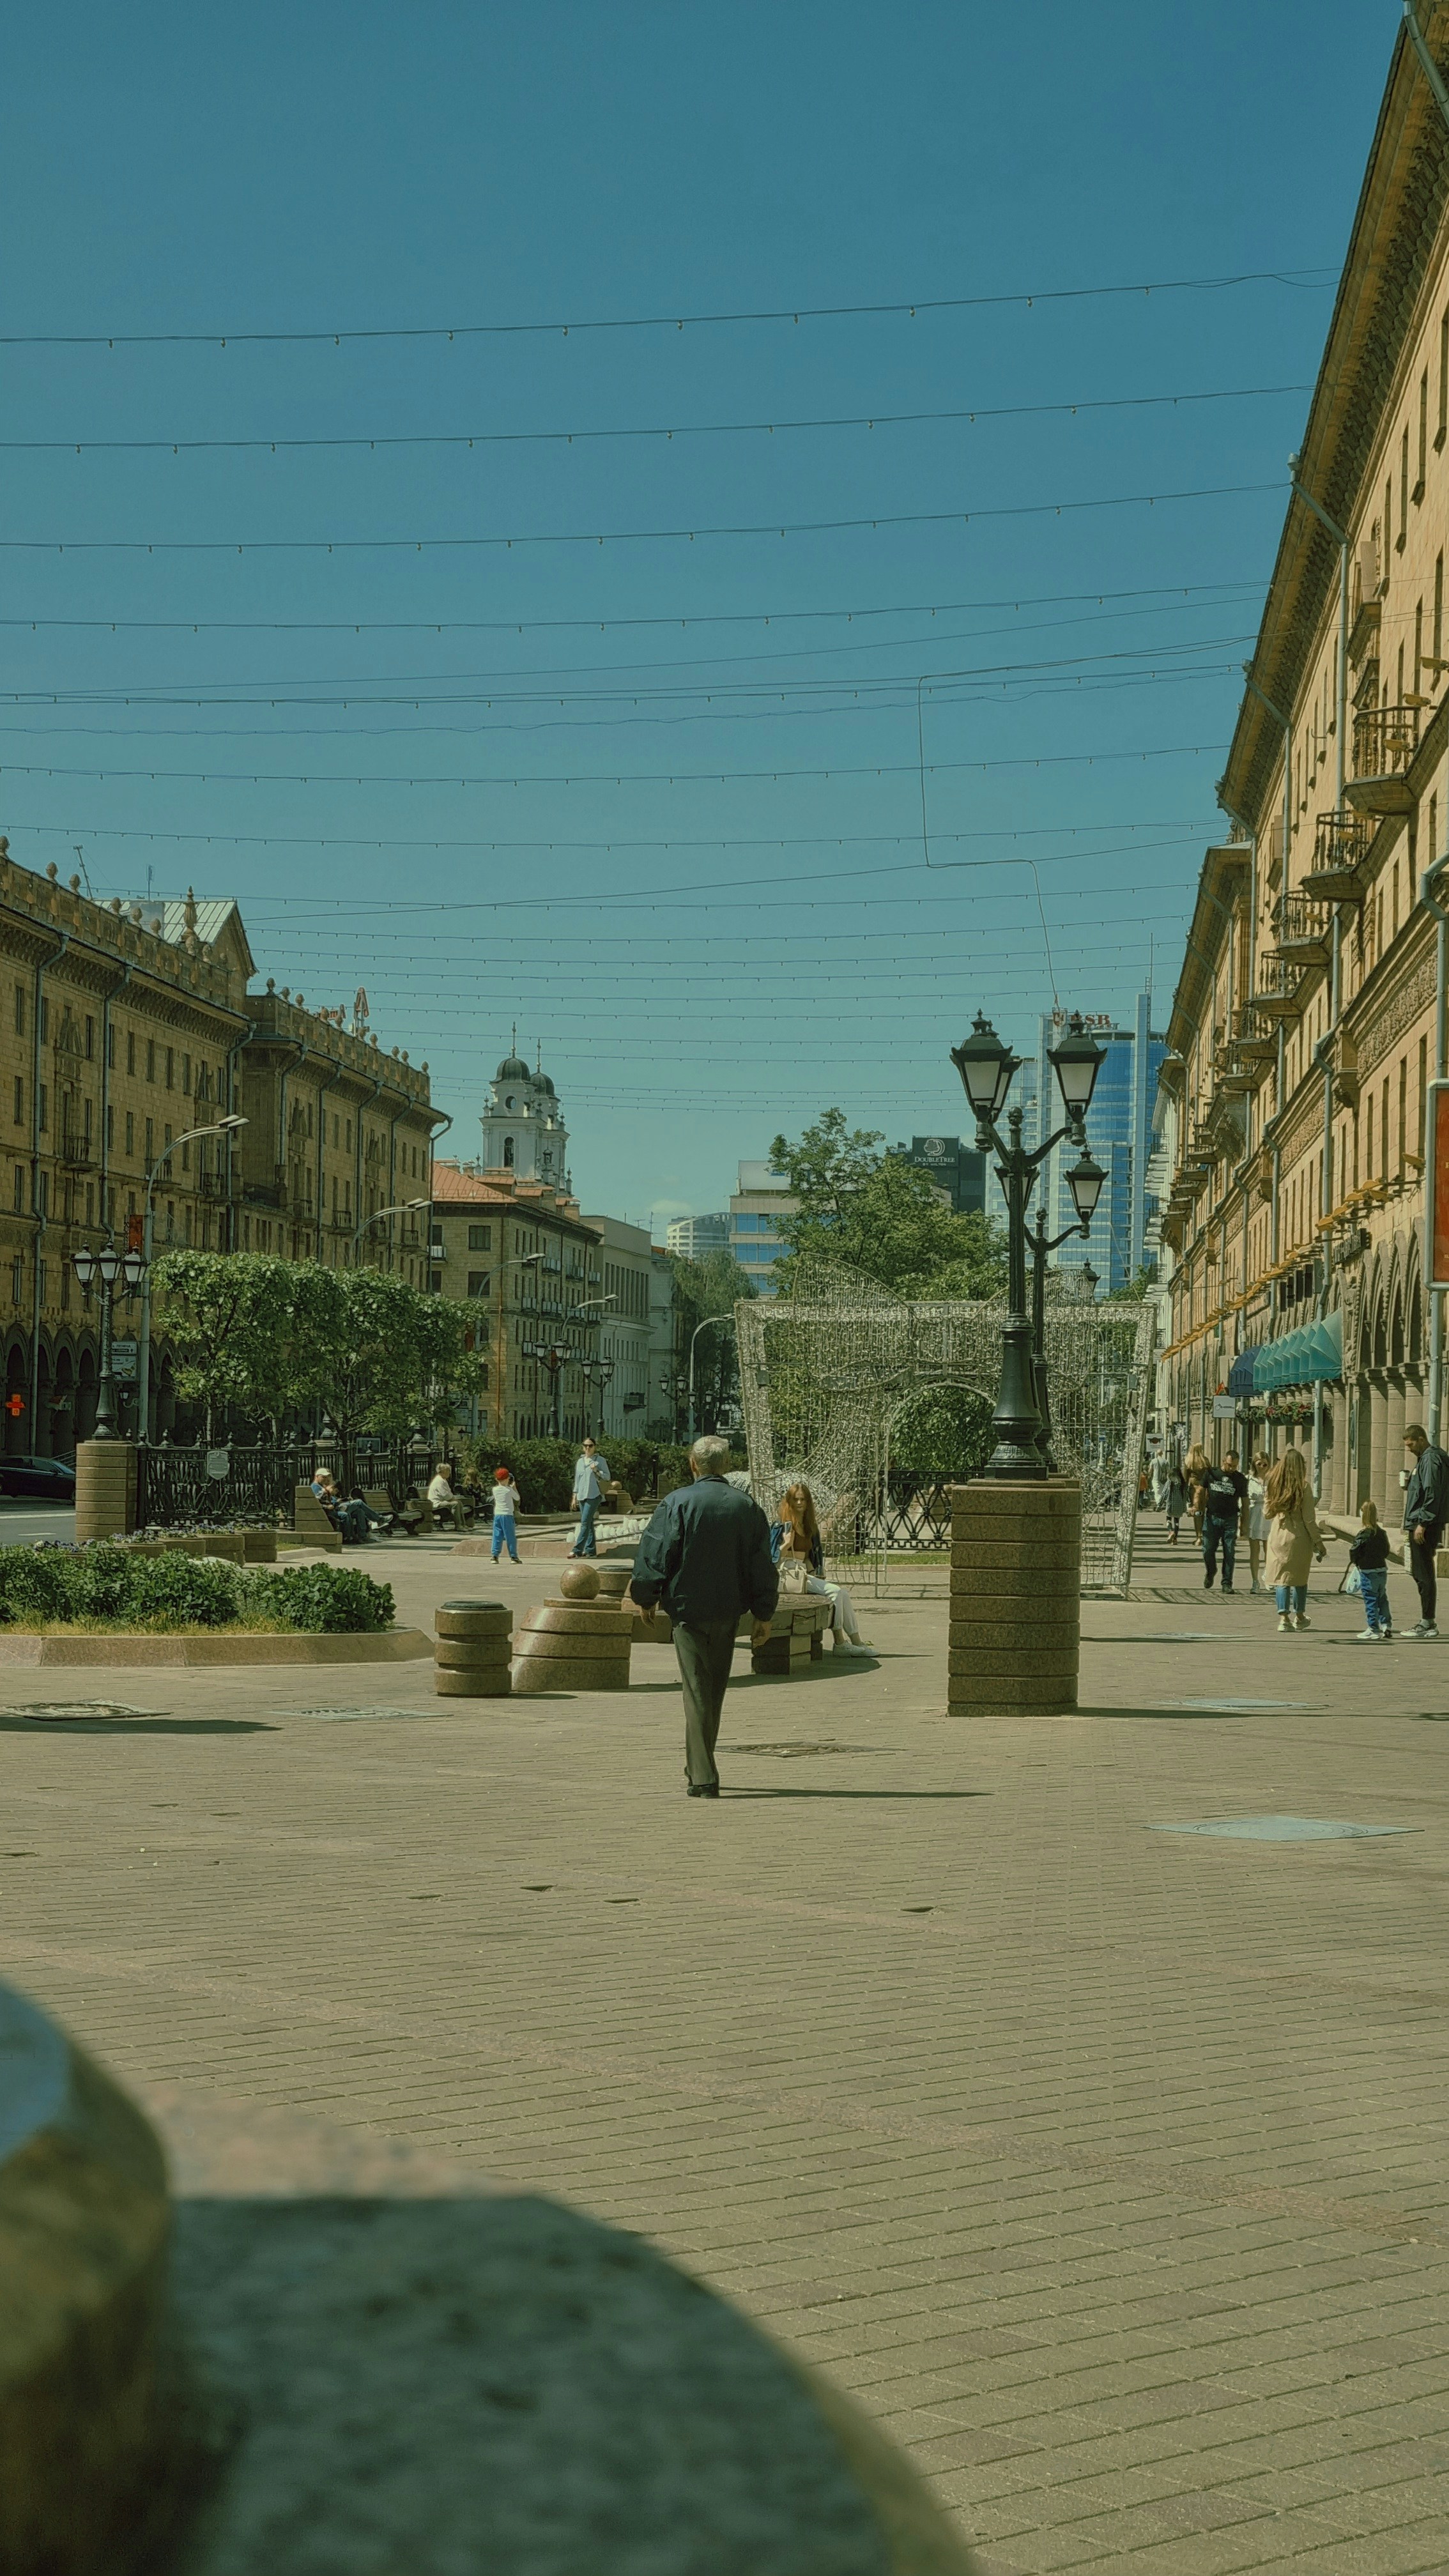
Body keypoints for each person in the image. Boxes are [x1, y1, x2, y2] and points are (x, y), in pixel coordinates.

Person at [630, 1434, 778, 1798]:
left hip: (687, 1610)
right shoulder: (746, 1506)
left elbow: (656, 1553)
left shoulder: (677, 1502)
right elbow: (762, 1564)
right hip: (729, 1610)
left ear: (693, 1464)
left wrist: (646, 1598)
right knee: (713, 1690)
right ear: (726, 1466)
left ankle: (702, 1775)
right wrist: (764, 1613)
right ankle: (699, 1761)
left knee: (697, 1690)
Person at [770, 1482, 870, 1653]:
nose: (800, 1503)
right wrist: (786, 1544)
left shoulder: (810, 1527)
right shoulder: (781, 1527)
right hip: (787, 1575)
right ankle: (839, 1643)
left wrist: (815, 1573)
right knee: (836, 1592)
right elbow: (771, 1558)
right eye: (796, 1499)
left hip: (803, 1573)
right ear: (789, 1502)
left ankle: (857, 1641)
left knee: (843, 1594)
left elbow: (809, 1557)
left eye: (803, 1499)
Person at [1262, 1448, 1325, 1632]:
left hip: (1278, 1535)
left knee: (1282, 1578)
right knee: (1299, 1578)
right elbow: (1309, 1519)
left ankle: (1284, 1619)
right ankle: (1299, 1616)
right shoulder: (1304, 1487)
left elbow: (1267, 1513)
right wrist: (1319, 1542)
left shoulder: (1274, 1485)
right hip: (1298, 1537)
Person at [1402, 1423, 1449, 1639]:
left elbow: (1432, 1491)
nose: (1409, 1449)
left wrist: (1423, 1522)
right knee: (1422, 1573)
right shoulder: (1427, 1459)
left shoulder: (1430, 1459)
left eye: (1411, 1444)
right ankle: (1426, 1620)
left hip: (1423, 1525)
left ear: (1421, 1439)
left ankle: (1427, 1622)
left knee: (1424, 1574)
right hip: (1422, 1522)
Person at [1200, 1450, 1248, 1593]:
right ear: (1223, 1461)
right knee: (1208, 1549)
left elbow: (1245, 1503)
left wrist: (1244, 1525)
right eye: (1229, 1465)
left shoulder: (1240, 1479)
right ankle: (1211, 1570)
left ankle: (1227, 1583)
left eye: (1235, 1466)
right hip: (1212, 1517)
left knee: (1229, 1551)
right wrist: (1197, 1507)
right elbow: (1200, 1492)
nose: (1232, 1469)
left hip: (1231, 1519)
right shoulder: (1212, 1474)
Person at [1349, 1499, 1393, 1641]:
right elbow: (1386, 1551)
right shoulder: (1382, 1533)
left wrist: (1357, 1562)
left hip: (1368, 1572)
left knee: (1370, 1600)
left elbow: (1354, 1551)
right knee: (1382, 1599)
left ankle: (1373, 1628)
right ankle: (1386, 1625)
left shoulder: (1363, 1534)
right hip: (1381, 1570)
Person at [571, 1436, 611, 1558]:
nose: (588, 1448)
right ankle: (591, 1551)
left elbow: (607, 1477)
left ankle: (577, 1550)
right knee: (589, 1523)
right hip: (582, 1495)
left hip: (594, 1495)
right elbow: (577, 1480)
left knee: (584, 1522)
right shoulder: (580, 1462)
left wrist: (597, 1471)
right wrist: (574, 1496)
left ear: (595, 1447)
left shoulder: (600, 1460)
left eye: (590, 1446)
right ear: (583, 1447)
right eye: (586, 1446)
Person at [310, 1468, 367, 1545]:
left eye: (326, 1477)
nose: (325, 1479)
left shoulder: (321, 1487)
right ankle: (347, 1537)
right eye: (323, 1477)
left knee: (359, 1511)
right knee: (353, 1508)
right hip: (327, 1511)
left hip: (332, 1509)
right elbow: (315, 1503)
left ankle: (361, 1536)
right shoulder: (316, 1487)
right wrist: (327, 1506)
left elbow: (328, 1499)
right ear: (317, 1477)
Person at [1246, 1452, 1271, 1595]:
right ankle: (1255, 1581)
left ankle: (1268, 1576)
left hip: (1269, 1515)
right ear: (1254, 1464)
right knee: (1255, 1551)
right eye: (1259, 1464)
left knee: (1270, 1550)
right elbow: (1244, 1500)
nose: (1262, 1467)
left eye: (1265, 1464)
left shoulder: (1272, 1479)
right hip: (1254, 1513)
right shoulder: (1249, 1479)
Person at [491, 1464, 522, 1565]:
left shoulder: (494, 1490)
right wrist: (514, 1488)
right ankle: (513, 1557)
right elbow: (517, 1498)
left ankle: (495, 1556)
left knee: (497, 1535)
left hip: (498, 1515)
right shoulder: (509, 1490)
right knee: (510, 1537)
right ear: (506, 1479)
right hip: (507, 1515)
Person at [1182, 1445, 1210, 1547]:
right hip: (1204, 1487)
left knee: (1197, 1512)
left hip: (1194, 1488)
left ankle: (1199, 1536)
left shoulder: (1189, 1461)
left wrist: (1184, 1492)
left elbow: (1185, 1478)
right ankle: (1204, 1535)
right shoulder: (1205, 1461)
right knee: (1204, 1512)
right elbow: (1210, 1474)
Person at [427, 1461, 461, 1530]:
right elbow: (446, 1496)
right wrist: (453, 1499)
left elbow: (449, 1493)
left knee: (459, 1503)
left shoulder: (443, 1480)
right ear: (442, 1472)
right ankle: (458, 1525)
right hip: (436, 1503)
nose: (449, 1472)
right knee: (455, 1504)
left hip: (442, 1501)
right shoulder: (439, 1481)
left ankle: (463, 1524)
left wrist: (453, 1498)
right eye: (447, 1470)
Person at [1163, 1452, 1186, 1545]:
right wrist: (1186, 1504)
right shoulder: (1183, 1483)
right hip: (1180, 1505)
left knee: (1168, 1519)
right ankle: (1175, 1539)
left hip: (1171, 1504)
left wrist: (1160, 1503)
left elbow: (1165, 1493)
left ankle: (1170, 1532)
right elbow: (1186, 1495)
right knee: (1177, 1521)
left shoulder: (1170, 1482)